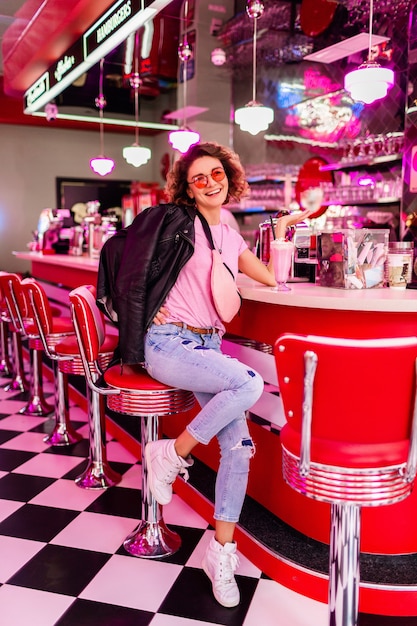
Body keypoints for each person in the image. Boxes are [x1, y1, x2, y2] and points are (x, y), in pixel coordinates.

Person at [97, 142, 313, 608]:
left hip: (206, 346)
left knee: (238, 447)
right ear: (187, 187)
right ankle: (171, 456)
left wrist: (284, 229)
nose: (211, 182)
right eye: (199, 177)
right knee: (249, 383)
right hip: (167, 343)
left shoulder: (230, 233)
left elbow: (272, 279)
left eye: (217, 173)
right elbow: (134, 271)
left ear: (229, 177)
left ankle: (221, 551)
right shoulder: (176, 222)